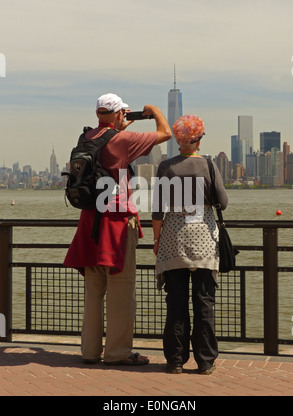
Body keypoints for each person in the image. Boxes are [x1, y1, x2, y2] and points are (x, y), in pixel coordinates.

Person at [64, 93, 172, 365]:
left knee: (93, 291)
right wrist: (154, 110)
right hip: (116, 222)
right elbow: (165, 133)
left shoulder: (86, 138)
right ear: (119, 113)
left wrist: (116, 127)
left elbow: (106, 145)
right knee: (121, 291)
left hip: (89, 221)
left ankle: (89, 352)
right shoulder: (123, 140)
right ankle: (117, 352)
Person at [152, 115, 228, 374]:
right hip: (204, 240)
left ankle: (175, 361)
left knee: (176, 302)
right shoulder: (208, 165)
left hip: (173, 240)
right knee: (204, 301)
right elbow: (223, 201)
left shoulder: (165, 166)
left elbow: (156, 209)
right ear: (197, 140)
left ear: (178, 139)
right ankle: (205, 362)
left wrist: (156, 239)